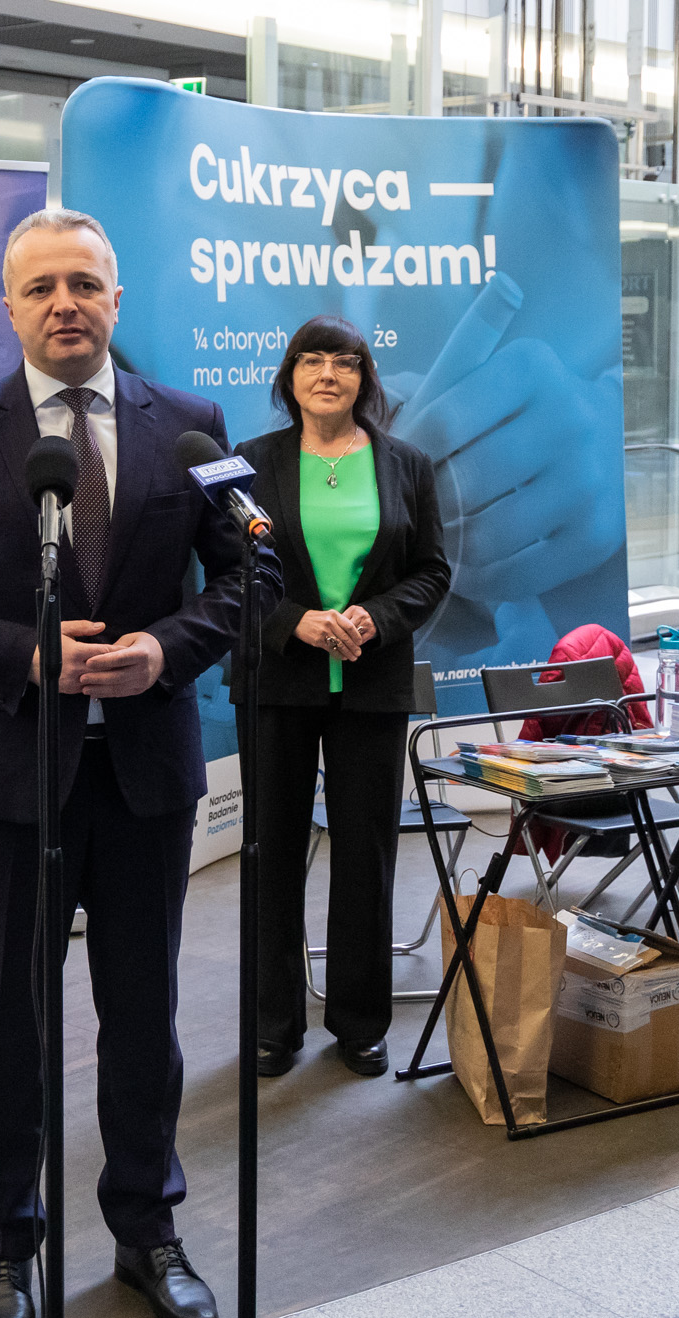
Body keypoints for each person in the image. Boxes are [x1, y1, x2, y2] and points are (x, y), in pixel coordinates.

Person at [0, 208, 279, 1318]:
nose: (65, 303)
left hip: (145, 775)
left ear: (114, 300)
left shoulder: (189, 427)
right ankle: (8, 1244)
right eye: (42, 286)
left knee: (143, 1017)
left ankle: (147, 1233)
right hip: (8, 780)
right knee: (9, 1027)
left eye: (84, 284)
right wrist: (27, 654)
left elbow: (252, 573)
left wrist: (165, 648)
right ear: (8, 306)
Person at [237, 315, 451, 1082]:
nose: (328, 373)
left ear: (365, 378)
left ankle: (361, 1022)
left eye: (345, 361)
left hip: (371, 682)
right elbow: (228, 573)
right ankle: (272, 1023)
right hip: (278, 683)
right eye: (311, 359)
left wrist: (375, 617)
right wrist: (294, 621)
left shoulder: (407, 465)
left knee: (367, 856)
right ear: (289, 376)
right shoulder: (248, 463)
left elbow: (431, 571)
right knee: (270, 854)